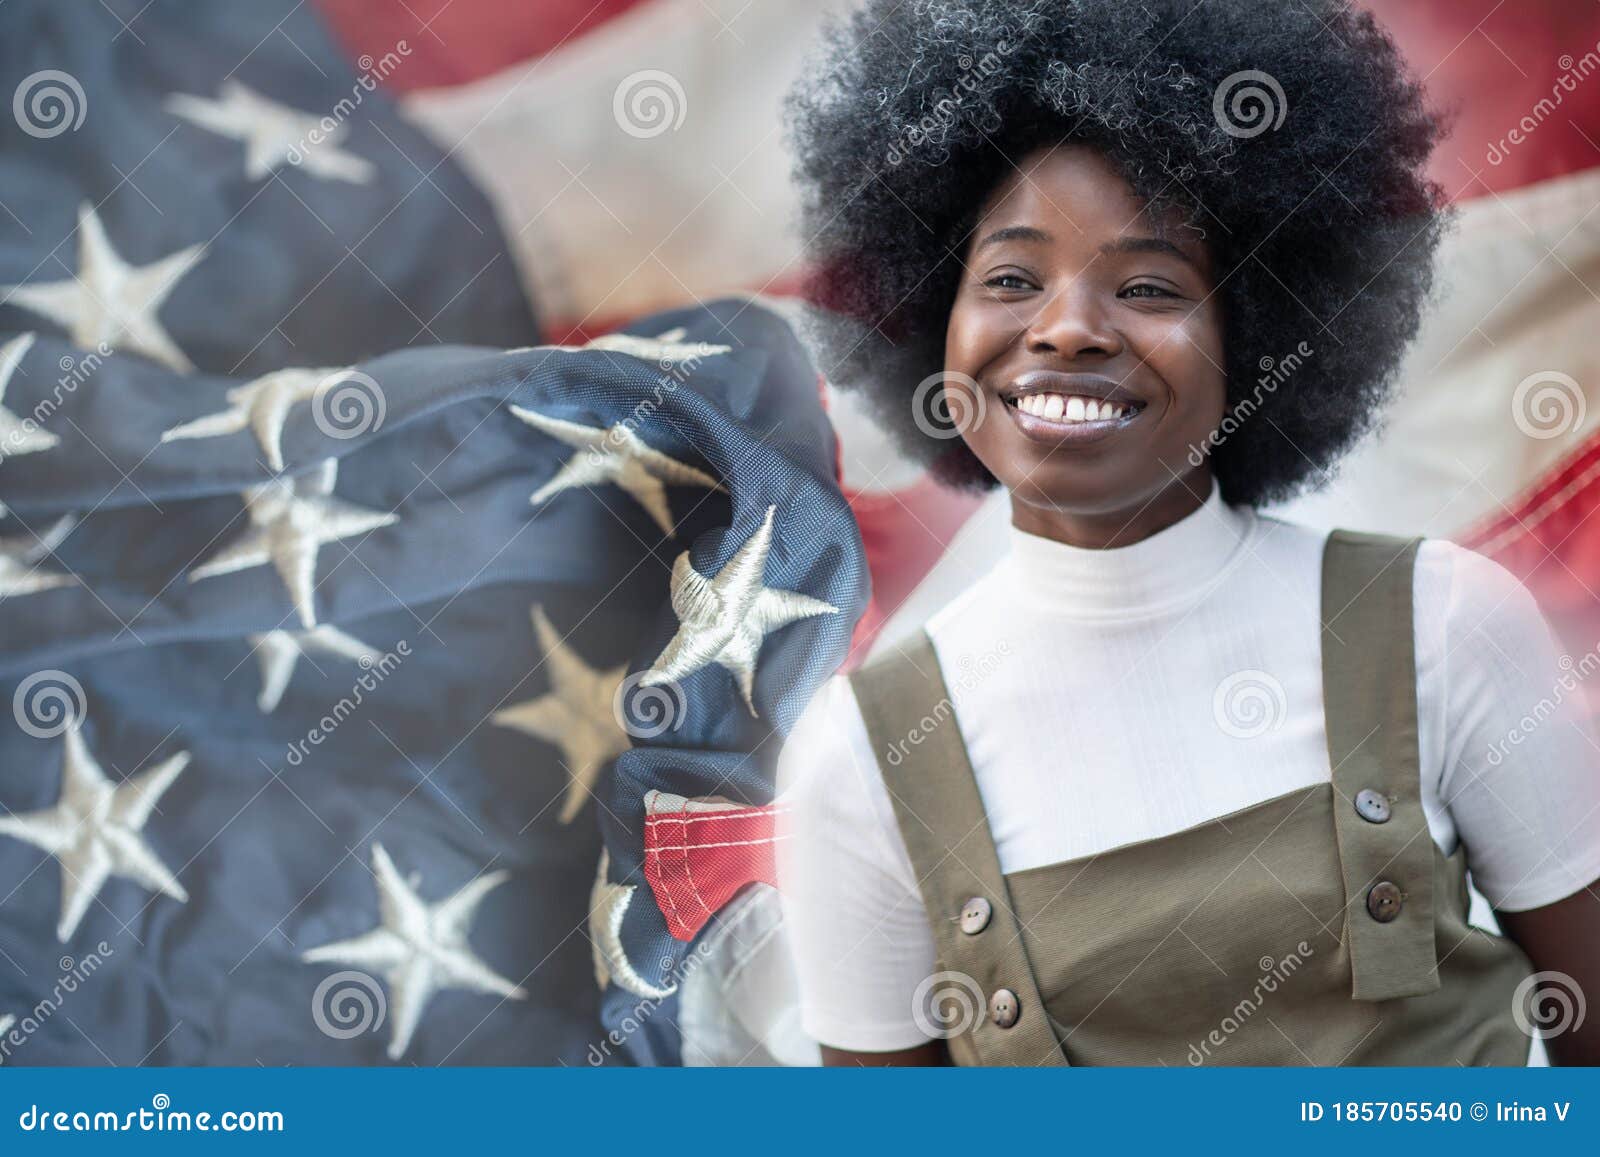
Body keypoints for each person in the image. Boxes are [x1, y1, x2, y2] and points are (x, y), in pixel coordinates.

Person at [773, 0, 1600, 1066]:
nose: (1066, 326)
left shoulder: (1442, 623)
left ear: (1253, 331)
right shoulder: (859, 758)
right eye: (1011, 279)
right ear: (932, 320)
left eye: (1148, 285)